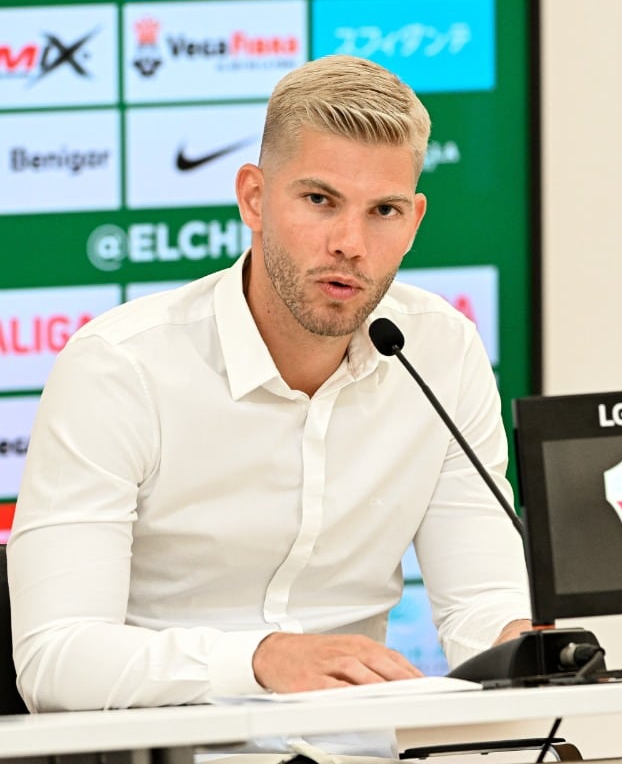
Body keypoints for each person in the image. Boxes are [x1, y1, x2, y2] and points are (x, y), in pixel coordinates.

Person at [8, 55, 532, 715]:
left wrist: (525, 646)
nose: (351, 243)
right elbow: (55, 660)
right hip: (164, 754)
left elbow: (484, 603)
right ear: (254, 198)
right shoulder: (120, 367)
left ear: (415, 222)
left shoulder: (440, 352)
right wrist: (260, 659)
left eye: (384, 211)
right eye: (320, 200)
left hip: (363, 750)